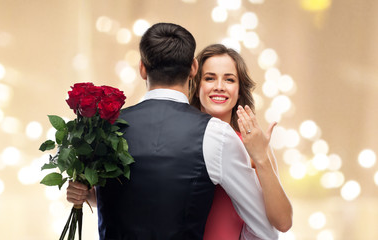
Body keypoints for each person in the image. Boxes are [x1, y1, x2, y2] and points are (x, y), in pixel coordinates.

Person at [66, 22, 278, 239]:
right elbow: (266, 230)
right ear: (194, 68)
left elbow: (116, 201)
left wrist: (86, 194)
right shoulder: (217, 134)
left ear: (142, 68)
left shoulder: (105, 128)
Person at [189, 44, 293, 239]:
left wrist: (261, 157)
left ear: (239, 90)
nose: (219, 86)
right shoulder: (183, 139)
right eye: (210, 78)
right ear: (196, 87)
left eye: (229, 79)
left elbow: (283, 222)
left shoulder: (253, 145)